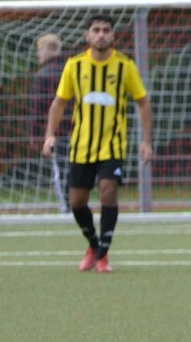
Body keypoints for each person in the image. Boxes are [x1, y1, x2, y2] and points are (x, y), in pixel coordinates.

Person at [42, 15, 153, 273]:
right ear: (87, 36)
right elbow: (59, 102)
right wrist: (50, 134)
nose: (101, 34)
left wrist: (146, 141)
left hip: (113, 145)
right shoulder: (75, 65)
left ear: (113, 36)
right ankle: (93, 245)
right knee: (77, 202)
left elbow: (143, 102)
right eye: (96, 30)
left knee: (108, 191)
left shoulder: (125, 66)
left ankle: (103, 254)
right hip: (81, 145)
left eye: (106, 30)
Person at [30, 33, 69, 212]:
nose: (38, 55)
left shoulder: (43, 75)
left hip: (57, 132)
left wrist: (36, 134)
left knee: (61, 171)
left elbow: (38, 107)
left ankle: (67, 208)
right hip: (80, 129)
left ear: (46, 50)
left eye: (39, 51)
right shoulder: (71, 70)